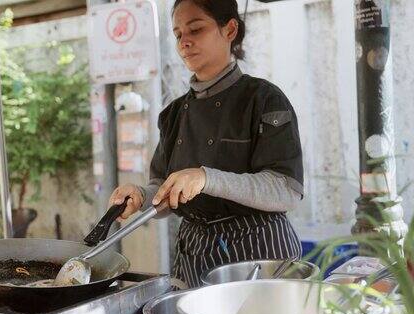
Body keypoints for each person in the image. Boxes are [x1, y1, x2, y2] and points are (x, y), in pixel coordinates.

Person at [108, 0, 304, 287]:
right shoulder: (173, 114)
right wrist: (141, 196)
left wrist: (206, 178)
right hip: (196, 254)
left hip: (260, 254)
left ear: (230, 30)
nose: (184, 42)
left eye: (196, 29)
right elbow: (164, 191)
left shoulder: (263, 99)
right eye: (178, 35)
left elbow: (285, 190)